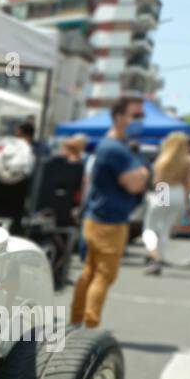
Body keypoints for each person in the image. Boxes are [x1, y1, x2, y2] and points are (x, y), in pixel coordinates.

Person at [70, 98, 150, 329]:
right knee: (104, 275)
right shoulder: (115, 148)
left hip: (98, 217)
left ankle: (77, 323)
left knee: (90, 273)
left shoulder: (113, 146)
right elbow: (135, 184)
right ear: (119, 117)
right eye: (135, 116)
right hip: (109, 220)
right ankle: (89, 325)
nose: (139, 122)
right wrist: (144, 172)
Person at [141, 131, 190, 275]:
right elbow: (188, 183)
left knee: (150, 227)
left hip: (164, 189)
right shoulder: (188, 160)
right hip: (178, 192)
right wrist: (188, 204)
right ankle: (160, 258)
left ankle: (154, 255)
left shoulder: (163, 159)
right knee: (165, 228)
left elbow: (157, 181)